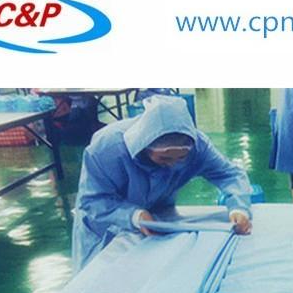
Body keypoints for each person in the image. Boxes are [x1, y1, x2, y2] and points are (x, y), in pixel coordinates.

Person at [72, 96, 252, 270]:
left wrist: (238, 208)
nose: (173, 164)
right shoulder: (107, 149)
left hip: (157, 218)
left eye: (181, 158)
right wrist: (133, 216)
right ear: (145, 146)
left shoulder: (198, 148)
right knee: (102, 276)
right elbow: (93, 201)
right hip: (106, 225)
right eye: (164, 158)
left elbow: (230, 174)